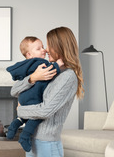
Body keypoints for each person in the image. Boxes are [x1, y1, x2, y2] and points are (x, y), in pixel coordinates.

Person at [11, 27, 84, 157]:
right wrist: (33, 78)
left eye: (49, 45)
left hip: (47, 144)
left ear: (60, 47)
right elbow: (14, 91)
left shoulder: (68, 77)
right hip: (33, 139)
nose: (46, 50)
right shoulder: (50, 71)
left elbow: (45, 110)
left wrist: (20, 111)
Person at [6, 36, 63, 152]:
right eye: (39, 49)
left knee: (23, 117)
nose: (44, 50)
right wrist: (59, 64)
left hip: (24, 96)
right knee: (35, 117)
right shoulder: (40, 62)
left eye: (42, 47)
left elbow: (16, 87)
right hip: (34, 96)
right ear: (29, 55)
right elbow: (50, 70)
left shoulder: (25, 66)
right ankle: (25, 136)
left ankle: (14, 125)